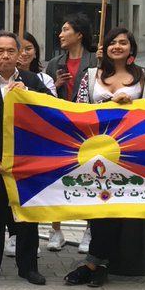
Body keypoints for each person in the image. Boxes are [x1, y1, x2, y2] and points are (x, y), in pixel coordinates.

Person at [63, 27, 145, 288]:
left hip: (130, 153)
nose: (117, 46)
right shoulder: (90, 75)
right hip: (96, 151)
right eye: (112, 42)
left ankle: (95, 263)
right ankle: (97, 262)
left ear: (131, 48)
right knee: (98, 206)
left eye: (123, 42)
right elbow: (80, 110)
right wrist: (109, 105)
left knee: (118, 205)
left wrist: (131, 106)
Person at [0, 31, 51, 286]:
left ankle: (28, 268)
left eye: (11, 51)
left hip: (26, 164)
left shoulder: (32, 80)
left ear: (19, 55)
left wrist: (29, 93)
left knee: (26, 219)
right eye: (0, 51)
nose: (5, 56)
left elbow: (51, 108)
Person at [44, 14, 98, 253]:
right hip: (61, 129)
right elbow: (44, 96)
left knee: (90, 178)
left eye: (66, 30)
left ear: (80, 34)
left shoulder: (96, 61)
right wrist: (55, 85)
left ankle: (90, 229)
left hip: (88, 130)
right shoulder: (55, 63)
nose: (61, 34)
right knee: (58, 178)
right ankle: (55, 229)